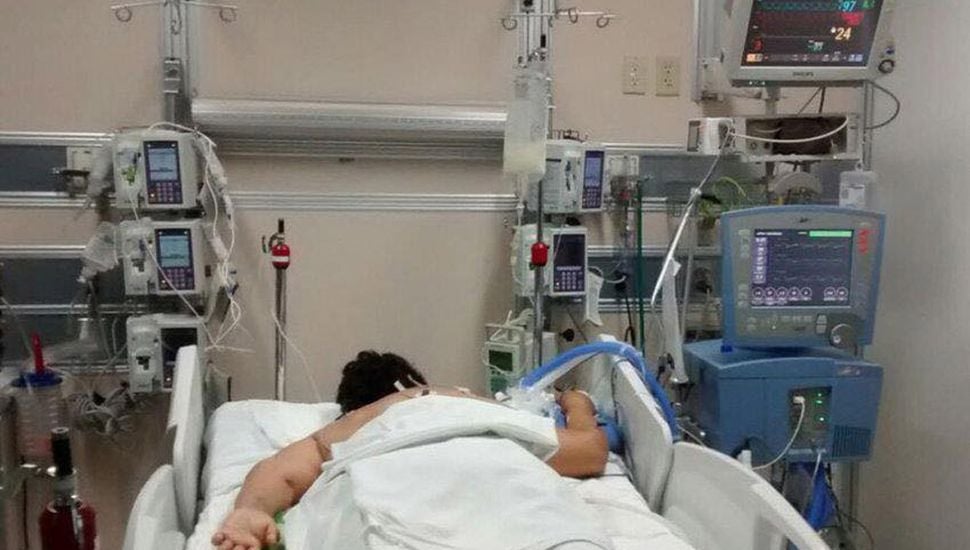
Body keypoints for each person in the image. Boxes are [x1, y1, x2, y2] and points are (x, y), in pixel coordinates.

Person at [212, 351, 608, 550]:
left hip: (395, 508)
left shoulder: (352, 423)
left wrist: (250, 511)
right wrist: (577, 403)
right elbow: (590, 451)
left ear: (349, 406)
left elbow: (279, 471)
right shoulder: (461, 401)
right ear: (417, 382)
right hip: (505, 487)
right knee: (546, 530)